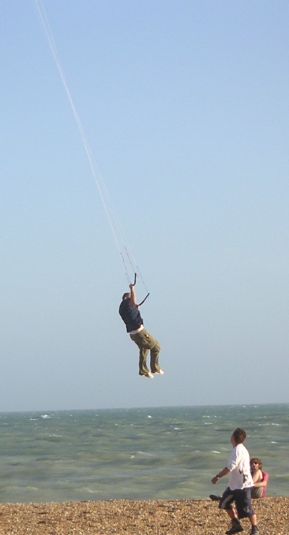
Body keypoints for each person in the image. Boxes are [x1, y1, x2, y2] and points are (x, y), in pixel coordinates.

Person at [211, 427, 259, 535]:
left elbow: (230, 467)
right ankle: (236, 524)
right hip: (234, 485)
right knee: (224, 503)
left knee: (247, 508)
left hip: (243, 486)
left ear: (233, 438)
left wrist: (217, 476)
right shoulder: (240, 449)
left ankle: (255, 529)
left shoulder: (237, 450)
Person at [119, 283, 163, 378]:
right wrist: (132, 288)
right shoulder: (127, 303)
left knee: (144, 348)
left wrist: (135, 307)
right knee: (156, 346)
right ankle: (155, 368)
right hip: (140, 332)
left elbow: (131, 312)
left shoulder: (122, 307)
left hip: (132, 334)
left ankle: (143, 371)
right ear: (128, 298)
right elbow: (132, 300)